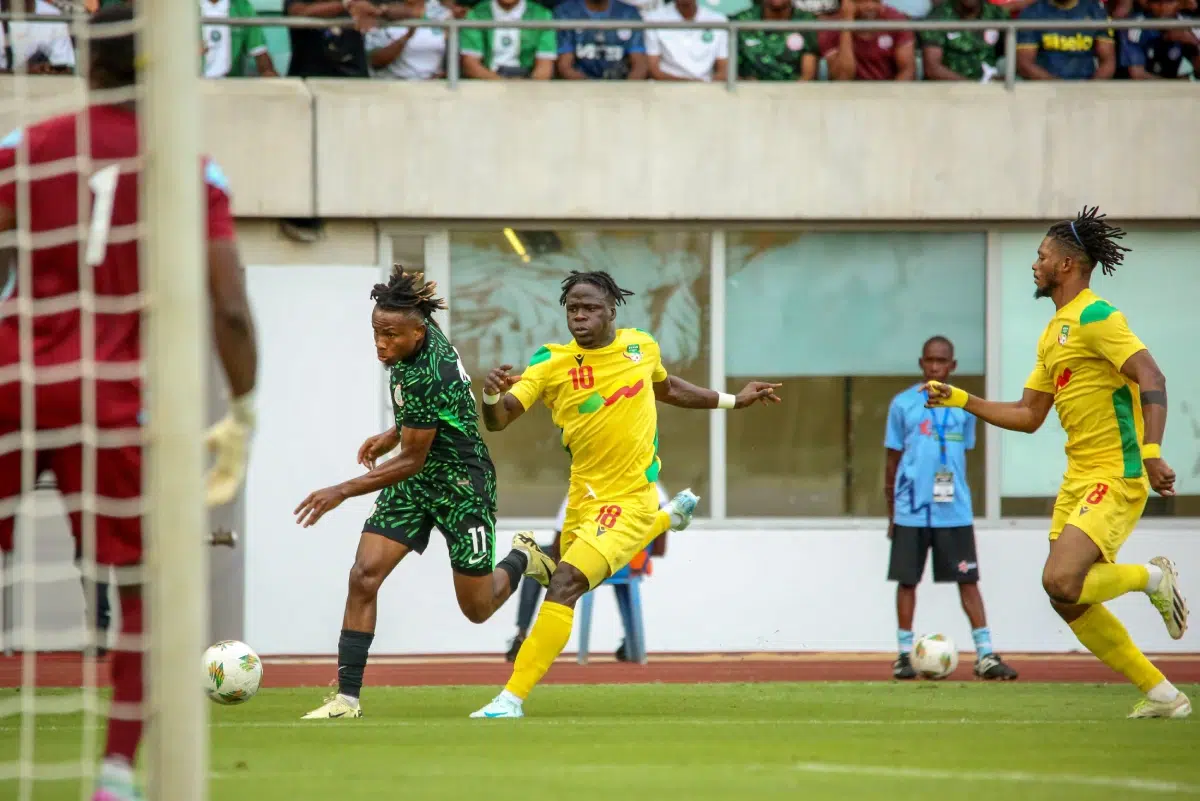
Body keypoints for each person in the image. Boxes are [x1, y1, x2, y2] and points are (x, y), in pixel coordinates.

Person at [0, 6, 260, 800]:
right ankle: (116, 773)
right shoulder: (186, 167)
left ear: (84, 58)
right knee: (143, 582)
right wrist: (242, 410)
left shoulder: (23, 151)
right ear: (164, 63)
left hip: (13, 382)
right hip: (113, 398)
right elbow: (229, 305)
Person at [470, 270, 781, 719]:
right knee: (564, 576)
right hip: (583, 496)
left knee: (564, 584)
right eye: (573, 309)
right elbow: (500, 420)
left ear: (611, 310)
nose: (580, 316)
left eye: (590, 308)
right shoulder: (549, 363)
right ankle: (667, 519)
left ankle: (510, 699)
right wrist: (489, 395)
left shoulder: (641, 347)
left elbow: (669, 388)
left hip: (632, 494)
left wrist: (735, 400)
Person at [924, 206, 1190, 719]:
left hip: (1117, 473)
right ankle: (1163, 695)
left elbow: (1152, 375)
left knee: (1060, 580)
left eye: (1041, 256)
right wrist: (961, 399)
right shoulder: (1054, 334)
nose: (1035, 264)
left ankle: (1153, 580)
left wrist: (1153, 452)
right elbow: (1028, 415)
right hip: (1079, 478)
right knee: (1066, 597)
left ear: (1066, 266)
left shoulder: (1097, 316)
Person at [294, 267, 555, 720]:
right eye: (376, 332)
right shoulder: (417, 338)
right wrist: (392, 433)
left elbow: (414, 456)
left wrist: (340, 490)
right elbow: (427, 425)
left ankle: (523, 557)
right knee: (363, 575)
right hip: (416, 482)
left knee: (477, 609)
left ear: (418, 332)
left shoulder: (427, 371)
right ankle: (346, 699)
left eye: (390, 335)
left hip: (460, 484)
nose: (381, 343)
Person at [885, 336, 1018, 681]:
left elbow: (963, 456)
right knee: (907, 581)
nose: (934, 367)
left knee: (968, 580)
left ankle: (986, 654)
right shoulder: (902, 405)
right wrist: (891, 514)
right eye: (929, 360)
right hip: (911, 509)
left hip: (953, 510)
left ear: (952, 366)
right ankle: (903, 654)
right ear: (921, 363)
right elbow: (891, 460)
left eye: (941, 361)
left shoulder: (964, 407)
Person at [506, 481, 670, 661]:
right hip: (629, 563)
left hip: (588, 560)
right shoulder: (654, 489)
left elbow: (558, 545)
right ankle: (631, 639)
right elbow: (659, 550)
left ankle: (521, 637)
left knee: (534, 558)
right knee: (619, 572)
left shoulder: (585, 484)